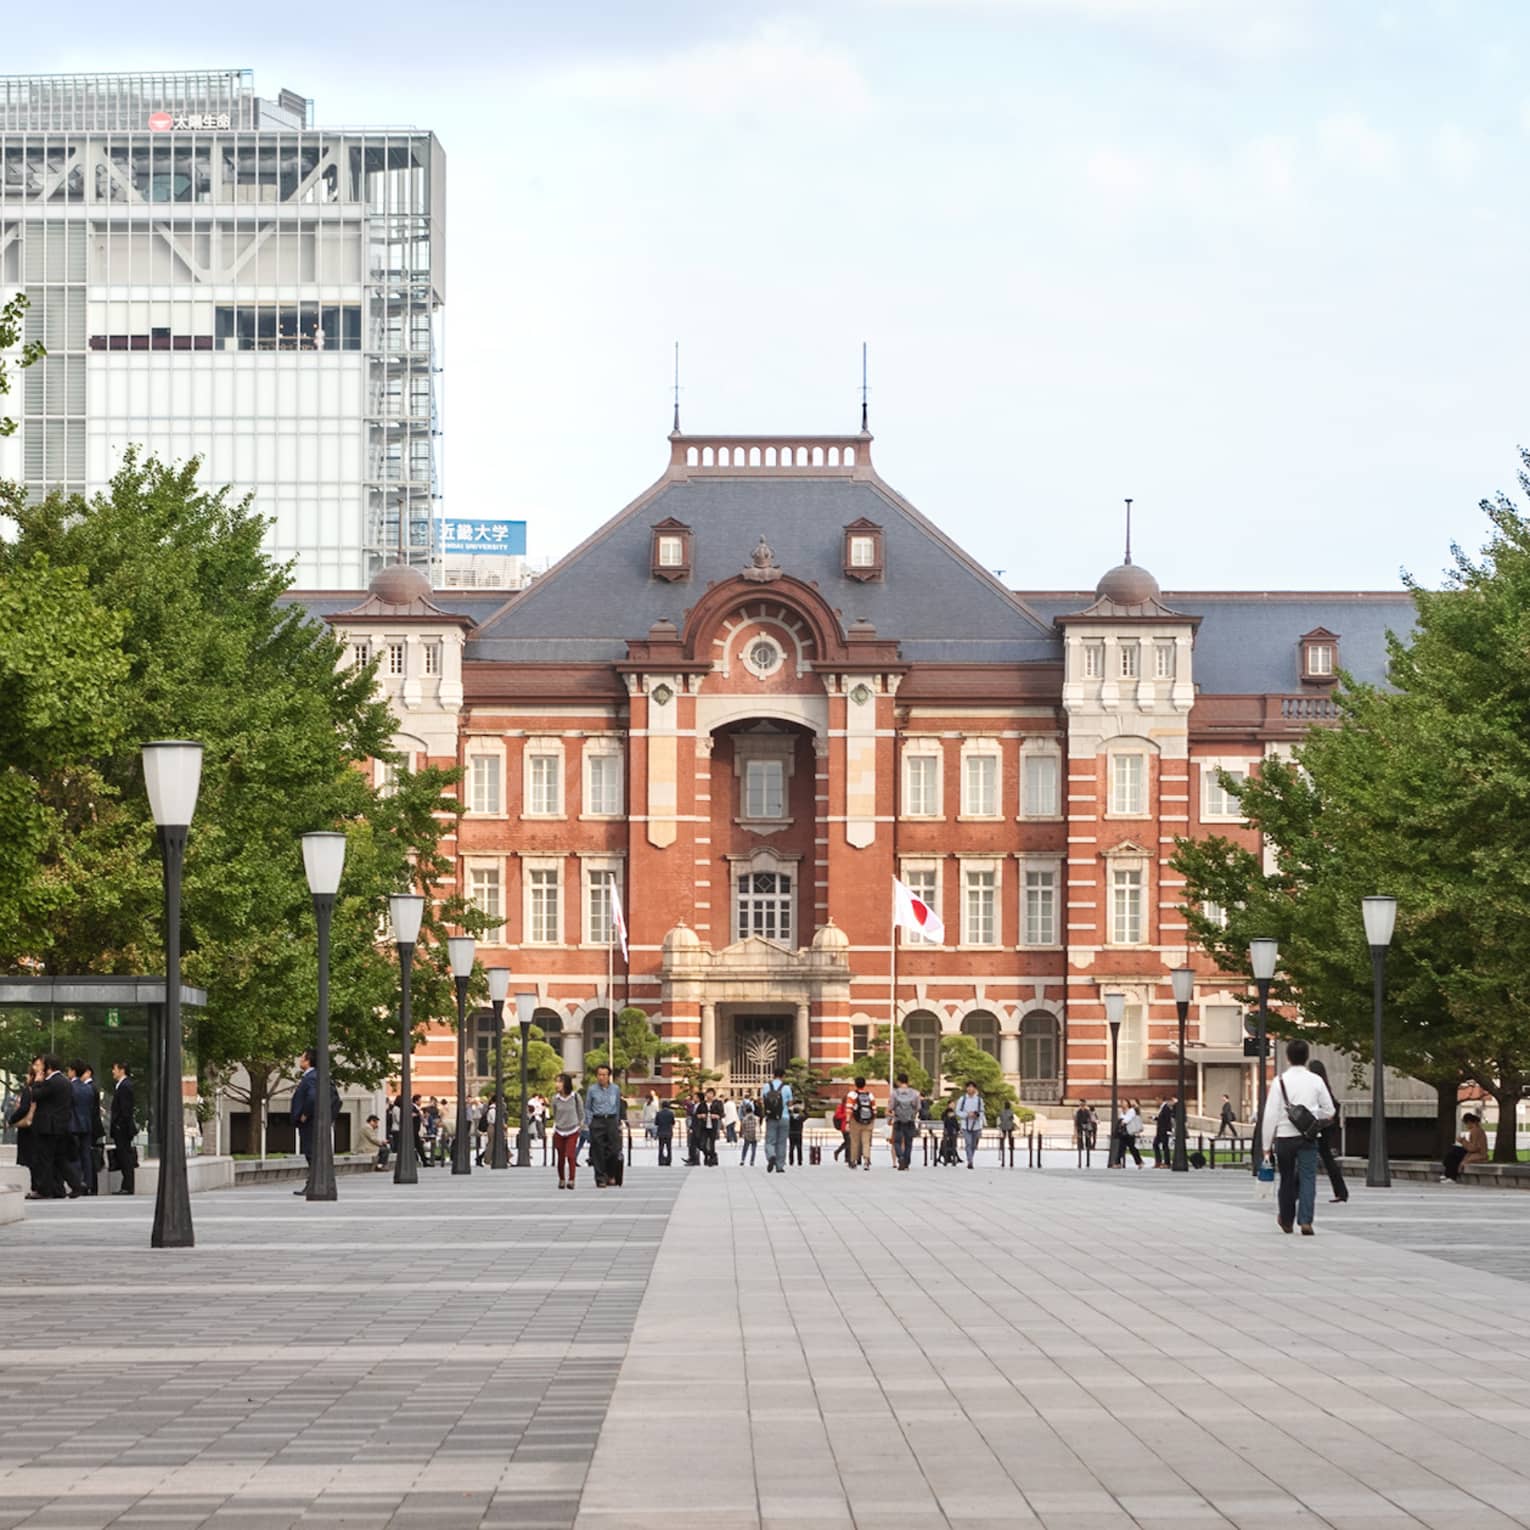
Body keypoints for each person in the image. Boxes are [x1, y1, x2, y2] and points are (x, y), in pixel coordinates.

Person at [1260, 1036, 1337, 1235]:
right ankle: (1306, 1221)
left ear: (1288, 1057)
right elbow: (1329, 1111)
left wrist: (1266, 1144)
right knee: (1308, 1178)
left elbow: (1270, 1114)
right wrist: (1312, 1117)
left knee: (1286, 1178)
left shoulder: (1280, 1081)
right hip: (1308, 1137)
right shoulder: (1316, 1080)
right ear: (1306, 1057)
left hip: (1285, 1137)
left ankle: (1286, 1219)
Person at [29, 1054, 83, 1200]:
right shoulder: (66, 1081)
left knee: (45, 1159)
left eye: (43, 1066)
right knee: (59, 1159)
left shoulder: (51, 1082)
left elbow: (35, 1095)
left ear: (49, 1067)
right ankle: (75, 1185)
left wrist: (37, 1082)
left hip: (48, 1127)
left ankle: (45, 1189)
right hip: (61, 1126)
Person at [1306, 1058, 1347, 1203]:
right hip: (1326, 1127)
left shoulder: (1317, 1086)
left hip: (1319, 1127)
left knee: (1306, 1158)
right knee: (1327, 1159)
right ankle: (1341, 1192)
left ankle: (1299, 1190)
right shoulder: (1325, 1085)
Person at [586, 1063, 625, 1188]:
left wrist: (618, 1122)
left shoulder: (615, 1089)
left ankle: (611, 1174)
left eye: (604, 1075)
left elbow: (618, 1106)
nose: (601, 1077)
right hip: (597, 1120)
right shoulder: (592, 1090)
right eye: (599, 1075)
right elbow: (588, 1107)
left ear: (609, 1076)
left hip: (611, 1120)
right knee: (598, 1151)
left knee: (614, 1150)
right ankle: (600, 1178)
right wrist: (589, 1122)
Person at [69, 1060, 102, 1195]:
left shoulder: (70, 1087)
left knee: (75, 1155)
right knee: (86, 1155)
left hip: (73, 1125)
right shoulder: (88, 1088)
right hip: (87, 1125)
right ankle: (88, 1183)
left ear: (74, 1071)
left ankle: (77, 1183)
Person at [8, 1061, 38, 1196]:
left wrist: (12, 1120)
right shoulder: (40, 1090)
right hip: (38, 1128)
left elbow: (24, 1108)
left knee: (32, 1160)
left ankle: (36, 1187)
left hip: (29, 1130)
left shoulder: (29, 1090)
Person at [550, 1073, 584, 1189]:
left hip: (572, 1129)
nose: (557, 1084)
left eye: (560, 1081)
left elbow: (581, 1113)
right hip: (559, 1130)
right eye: (556, 1081)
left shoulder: (575, 1097)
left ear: (566, 1083)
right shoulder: (555, 1099)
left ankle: (571, 1179)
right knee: (560, 1157)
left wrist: (580, 1125)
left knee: (570, 1155)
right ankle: (561, 1179)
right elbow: (554, 1113)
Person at [109, 1062, 136, 1194]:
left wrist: (119, 1125)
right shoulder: (121, 1085)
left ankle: (128, 1186)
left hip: (122, 1128)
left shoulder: (125, 1086)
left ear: (122, 1070)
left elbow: (125, 1109)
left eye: (114, 1069)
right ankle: (126, 1184)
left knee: (125, 1156)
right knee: (123, 1155)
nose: (113, 1072)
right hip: (121, 1127)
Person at [761, 1068, 793, 1173]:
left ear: (773, 1075)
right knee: (782, 1142)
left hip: (771, 1117)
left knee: (770, 1140)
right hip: (784, 1117)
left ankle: (771, 1156)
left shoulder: (766, 1086)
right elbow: (790, 1103)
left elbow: (763, 1101)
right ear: (783, 1076)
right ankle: (780, 1166)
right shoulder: (787, 1087)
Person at [1442, 1111, 1489, 1182]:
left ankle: (1451, 1177)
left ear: (1469, 1122)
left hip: (1478, 1154)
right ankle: (1448, 1175)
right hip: (1475, 1153)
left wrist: (1462, 1141)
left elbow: (1473, 1148)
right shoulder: (1477, 1130)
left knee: (1453, 1154)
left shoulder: (1475, 1131)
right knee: (1453, 1152)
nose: (1466, 1126)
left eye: (1466, 1124)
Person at [844, 1077, 877, 1171]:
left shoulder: (852, 1094)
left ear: (855, 1084)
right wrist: (872, 1119)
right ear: (864, 1084)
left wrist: (847, 1122)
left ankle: (853, 1161)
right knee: (866, 1142)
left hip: (855, 1121)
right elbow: (874, 1109)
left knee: (855, 1142)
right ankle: (866, 1161)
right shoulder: (870, 1095)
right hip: (868, 1122)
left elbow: (849, 1108)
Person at [889, 1073, 921, 1171]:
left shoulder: (895, 1093)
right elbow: (918, 1107)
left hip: (898, 1120)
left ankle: (901, 1158)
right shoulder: (915, 1093)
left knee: (897, 1142)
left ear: (898, 1081)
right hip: (910, 1120)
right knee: (908, 1142)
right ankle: (906, 1162)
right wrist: (912, 1114)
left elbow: (891, 1107)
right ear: (908, 1081)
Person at [954, 1081, 985, 1169]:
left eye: (972, 1087)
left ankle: (971, 1157)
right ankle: (970, 1160)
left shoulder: (979, 1100)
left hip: (976, 1125)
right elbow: (958, 1111)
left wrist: (977, 1115)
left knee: (974, 1144)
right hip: (966, 1124)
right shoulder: (962, 1099)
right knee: (968, 1143)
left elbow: (982, 1111)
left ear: (975, 1089)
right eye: (968, 1087)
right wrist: (967, 1114)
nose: (970, 1089)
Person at [696, 1088, 723, 1167]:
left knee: (712, 1144)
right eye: (708, 1093)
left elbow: (721, 1114)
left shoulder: (717, 1103)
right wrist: (701, 1115)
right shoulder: (702, 1104)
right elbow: (697, 1114)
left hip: (713, 1126)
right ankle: (710, 1155)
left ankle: (711, 1159)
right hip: (704, 1126)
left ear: (713, 1095)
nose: (709, 1095)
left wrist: (716, 1116)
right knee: (702, 1144)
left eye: (711, 1093)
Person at [1115, 1102, 1143, 1168]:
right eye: (1122, 1102)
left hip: (1130, 1132)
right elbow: (1121, 1119)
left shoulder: (1131, 1111)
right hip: (1123, 1132)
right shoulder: (1122, 1112)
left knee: (1132, 1148)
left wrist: (1123, 1121)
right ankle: (1118, 1163)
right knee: (1121, 1148)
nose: (1122, 1104)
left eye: (1124, 1102)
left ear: (1127, 1104)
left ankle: (1139, 1162)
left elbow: (1128, 1119)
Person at [1153, 1098, 1175, 1168]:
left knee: (1165, 1146)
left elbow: (1168, 1120)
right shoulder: (1162, 1108)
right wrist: (1154, 1118)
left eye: (1157, 1100)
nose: (1156, 1102)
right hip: (1160, 1131)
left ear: (1160, 1099)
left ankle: (1167, 1163)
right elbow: (1161, 1118)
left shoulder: (1166, 1108)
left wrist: (1168, 1130)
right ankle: (1158, 1162)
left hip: (1164, 1131)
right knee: (1155, 1144)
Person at [654, 1099, 675, 1166]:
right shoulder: (671, 1113)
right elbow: (673, 1122)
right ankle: (669, 1160)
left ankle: (661, 1160)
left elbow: (656, 1123)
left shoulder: (659, 1113)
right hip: (668, 1132)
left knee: (661, 1147)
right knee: (669, 1148)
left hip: (661, 1132)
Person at [739, 1101, 759, 1166]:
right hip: (754, 1134)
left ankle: (742, 1160)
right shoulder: (756, 1118)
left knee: (745, 1148)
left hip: (747, 1135)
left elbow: (743, 1127)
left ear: (746, 1111)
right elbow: (758, 1127)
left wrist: (743, 1134)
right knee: (753, 1149)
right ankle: (752, 1161)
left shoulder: (744, 1119)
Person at [788, 1098, 806, 1167]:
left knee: (791, 1148)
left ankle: (791, 1161)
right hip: (798, 1133)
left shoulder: (790, 1117)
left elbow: (787, 1111)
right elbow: (807, 1115)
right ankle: (799, 1161)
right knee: (799, 1148)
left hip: (791, 1133)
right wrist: (803, 1109)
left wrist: (790, 1108)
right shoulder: (801, 1118)